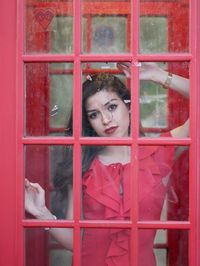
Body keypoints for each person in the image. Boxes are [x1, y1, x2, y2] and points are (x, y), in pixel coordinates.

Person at [25, 62, 189, 266]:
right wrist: (41, 213)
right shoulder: (83, 165)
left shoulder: (158, 154)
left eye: (112, 106)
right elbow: (76, 241)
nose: (106, 119)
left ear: (128, 106)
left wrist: (160, 76)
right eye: (94, 114)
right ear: (89, 122)